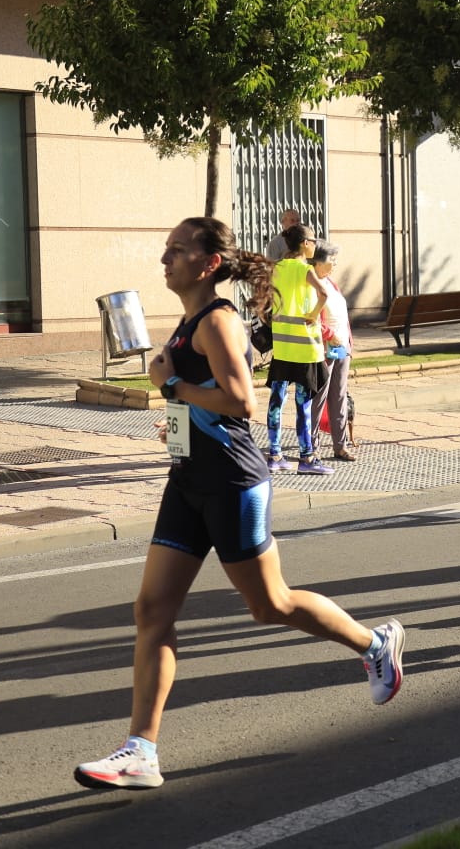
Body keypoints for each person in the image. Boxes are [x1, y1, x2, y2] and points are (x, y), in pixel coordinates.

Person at [73, 217, 404, 791]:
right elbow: (204, 403)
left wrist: (172, 389)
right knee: (152, 611)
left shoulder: (218, 321)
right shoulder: (189, 320)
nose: (164, 259)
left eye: (176, 251)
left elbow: (243, 401)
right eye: (165, 249)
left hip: (231, 484)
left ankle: (375, 644)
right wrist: (177, 414)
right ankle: (140, 751)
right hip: (189, 478)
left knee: (269, 604)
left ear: (207, 264)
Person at [266, 224, 331, 475]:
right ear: (304, 243)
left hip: (282, 348)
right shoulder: (305, 269)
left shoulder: (275, 269)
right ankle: (307, 458)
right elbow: (323, 293)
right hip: (304, 348)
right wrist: (312, 316)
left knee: (276, 401)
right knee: (303, 404)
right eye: (313, 240)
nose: (315, 244)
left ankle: (275, 455)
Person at [310, 239, 356, 462]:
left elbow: (342, 315)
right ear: (318, 262)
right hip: (324, 350)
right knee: (318, 398)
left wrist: (347, 342)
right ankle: (311, 446)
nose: (335, 263)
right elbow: (312, 319)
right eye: (331, 259)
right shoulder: (313, 284)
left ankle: (340, 446)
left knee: (339, 396)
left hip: (341, 349)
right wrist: (331, 335)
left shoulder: (331, 283)